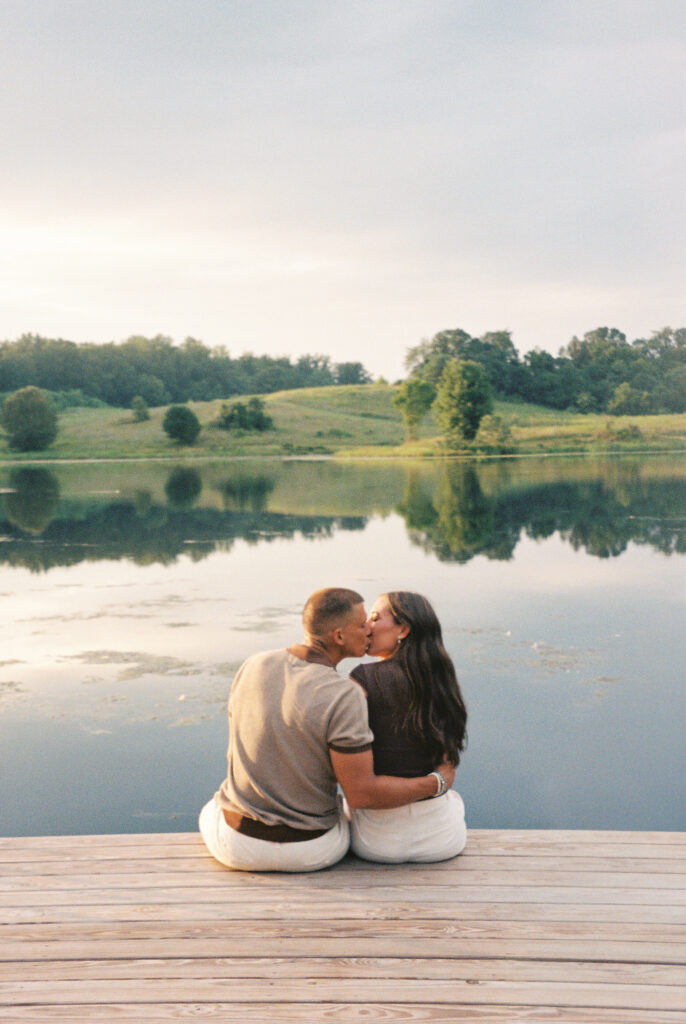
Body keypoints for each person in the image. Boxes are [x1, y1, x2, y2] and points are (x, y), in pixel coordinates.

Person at [199, 587, 455, 872]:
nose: (368, 630)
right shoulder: (345, 694)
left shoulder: (253, 664)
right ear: (339, 636)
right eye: (362, 624)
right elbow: (360, 794)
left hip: (237, 845)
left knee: (212, 808)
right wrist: (437, 782)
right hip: (314, 851)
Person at [348, 591, 468, 863]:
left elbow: (355, 787)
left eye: (376, 618)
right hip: (444, 841)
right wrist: (436, 783)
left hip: (376, 844)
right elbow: (447, 768)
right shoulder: (442, 682)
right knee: (454, 802)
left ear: (403, 629)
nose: (367, 625)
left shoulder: (362, 680)